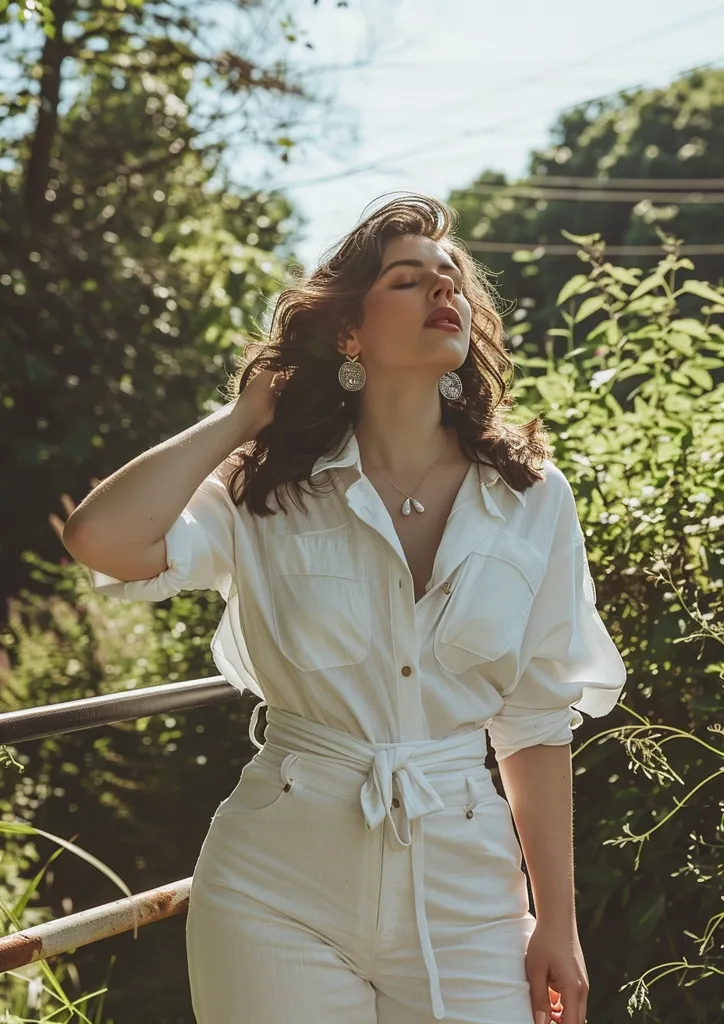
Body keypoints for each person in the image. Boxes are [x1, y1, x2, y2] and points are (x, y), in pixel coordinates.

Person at [62, 193, 627, 1024]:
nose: (444, 290)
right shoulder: (265, 487)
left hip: (467, 889)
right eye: (408, 279)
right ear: (347, 333)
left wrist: (558, 922)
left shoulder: (532, 497)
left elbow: (535, 722)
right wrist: (242, 418)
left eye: (451, 278)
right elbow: (101, 538)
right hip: (274, 890)